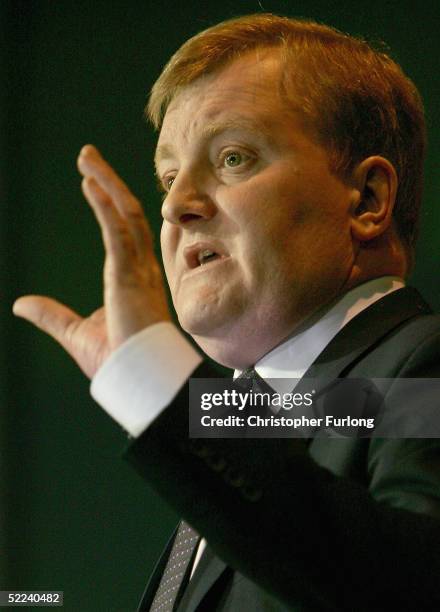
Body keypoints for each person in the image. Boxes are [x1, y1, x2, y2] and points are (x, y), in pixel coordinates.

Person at [13, 13, 440, 612]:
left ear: (367, 199)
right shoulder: (252, 415)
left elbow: (408, 587)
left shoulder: (420, 370)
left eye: (233, 157)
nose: (177, 205)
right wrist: (159, 389)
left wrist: (163, 388)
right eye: (168, 176)